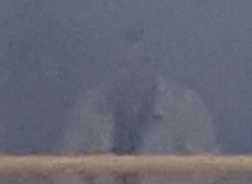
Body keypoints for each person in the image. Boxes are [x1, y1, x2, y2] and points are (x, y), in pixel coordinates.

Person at [54, 28, 217, 161]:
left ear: (155, 65)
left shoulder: (186, 107)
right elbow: (64, 170)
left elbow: (206, 174)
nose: (134, 73)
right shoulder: (88, 108)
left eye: (142, 63)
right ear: (110, 67)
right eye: (125, 65)